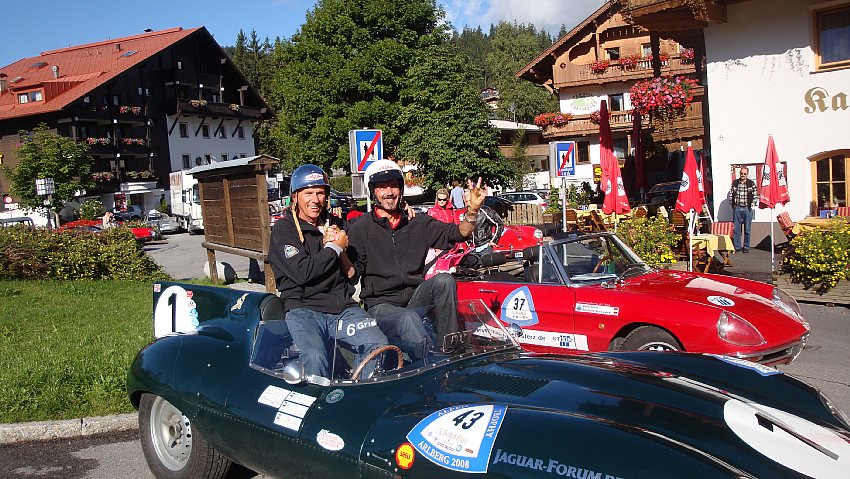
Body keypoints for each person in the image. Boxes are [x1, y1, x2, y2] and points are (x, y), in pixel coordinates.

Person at [347, 160, 485, 359]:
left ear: (401, 189)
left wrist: (472, 211)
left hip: (414, 299)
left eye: (393, 186)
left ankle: (449, 348)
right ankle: (432, 364)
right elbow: (351, 270)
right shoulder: (360, 227)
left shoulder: (417, 222)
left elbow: (458, 233)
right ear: (373, 192)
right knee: (408, 318)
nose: (389, 192)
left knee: (444, 280)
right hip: (380, 306)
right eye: (382, 187)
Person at [268, 164, 388, 379]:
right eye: (308, 193)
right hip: (304, 308)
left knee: (377, 344)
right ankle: (316, 398)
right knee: (315, 357)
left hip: (342, 308)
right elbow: (302, 273)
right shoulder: (284, 230)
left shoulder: (338, 225)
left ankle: (360, 391)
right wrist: (333, 248)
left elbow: (352, 276)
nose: (315, 200)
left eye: (320, 193)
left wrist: (401, 210)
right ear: (295, 197)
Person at [727, 166, 758, 253]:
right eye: (741, 173)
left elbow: (755, 196)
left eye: (744, 174)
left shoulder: (751, 183)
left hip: (747, 209)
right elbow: (731, 194)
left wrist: (752, 205)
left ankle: (746, 247)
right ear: (739, 173)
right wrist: (732, 204)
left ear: (747, 174)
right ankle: (737, 247)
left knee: (747, 229)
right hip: (737, 208)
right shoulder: (735, 183)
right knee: (737, 229)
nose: (743, 175)